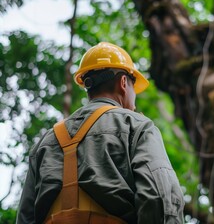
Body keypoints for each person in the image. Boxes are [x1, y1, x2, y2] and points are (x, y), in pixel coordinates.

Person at [16, 42, 185, 224]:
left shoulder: (46, 141)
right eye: (133, 88)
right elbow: (160, 198)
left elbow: (25, 217)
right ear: (123, 83)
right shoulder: (136, 125)